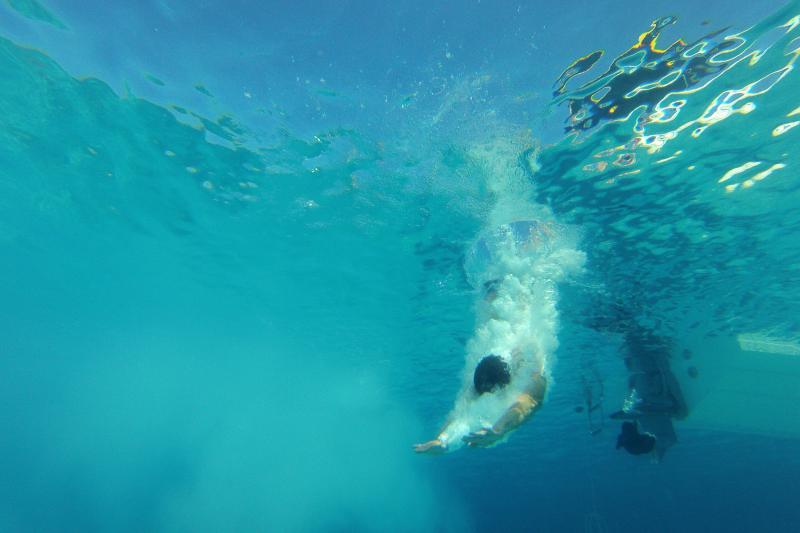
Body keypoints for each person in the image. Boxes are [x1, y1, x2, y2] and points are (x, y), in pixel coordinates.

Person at [413, 220, 585, 453]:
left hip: (514, 303)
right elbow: (463, 413)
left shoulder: (529, 363)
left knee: (510, 289)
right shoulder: (508, 363)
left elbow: (527, 404)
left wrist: (499, 430)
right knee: (521, 284)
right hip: (520, 302)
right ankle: (531, 240)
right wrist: (443, 440)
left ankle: (534, 236)